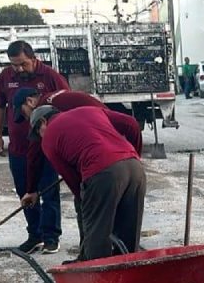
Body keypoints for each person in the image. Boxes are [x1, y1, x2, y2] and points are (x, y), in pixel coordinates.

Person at [23, 105, 146, 261]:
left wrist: (85, 202)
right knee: (129, 233)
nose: (40, 138)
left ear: (43, 121)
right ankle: (129, 276)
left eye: (38, 132)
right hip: (135, 167)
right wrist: (134, 155)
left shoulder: (48, 140)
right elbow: (131, 123)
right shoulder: (89, 110)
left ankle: (97, 278)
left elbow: (73, 179)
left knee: (97, 236)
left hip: (102, 172)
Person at [0, 40, 69, 254]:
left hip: (46, 148)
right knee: (25, 192)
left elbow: (66, 104)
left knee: (48, 191)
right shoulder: (7, 76)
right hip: (18, 149)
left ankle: (51, 236)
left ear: (34, 59)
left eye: (23, 64)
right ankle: (34, 235)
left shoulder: (50, 76)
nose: (18, 69)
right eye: (14, 64)